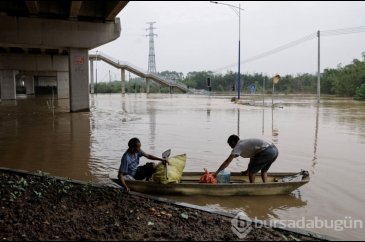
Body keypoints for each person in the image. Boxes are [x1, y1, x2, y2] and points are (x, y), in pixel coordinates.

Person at [213, 135, 279, 183]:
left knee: (251, 173)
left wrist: (216, 173)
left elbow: (227, 161)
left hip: (267, 152)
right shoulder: (244, 143)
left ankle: (251, 187)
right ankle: (266, 185)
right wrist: (247, 170)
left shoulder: (238, 147)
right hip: (275, 150)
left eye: (230, 145)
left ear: (233, 142)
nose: (231, 147)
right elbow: (253, 159)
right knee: (264, 171)